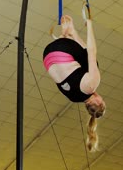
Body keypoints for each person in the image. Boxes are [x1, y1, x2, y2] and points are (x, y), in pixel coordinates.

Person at [43, 14, 105, 152]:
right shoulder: (73, 98)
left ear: (99, 101)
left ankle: (71, 33)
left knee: (94, 63)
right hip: (47, 56)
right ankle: (70, 33)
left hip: (61, 50)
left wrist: (89, 23)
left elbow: (91, 52)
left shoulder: (91, 85)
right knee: (86, 68)